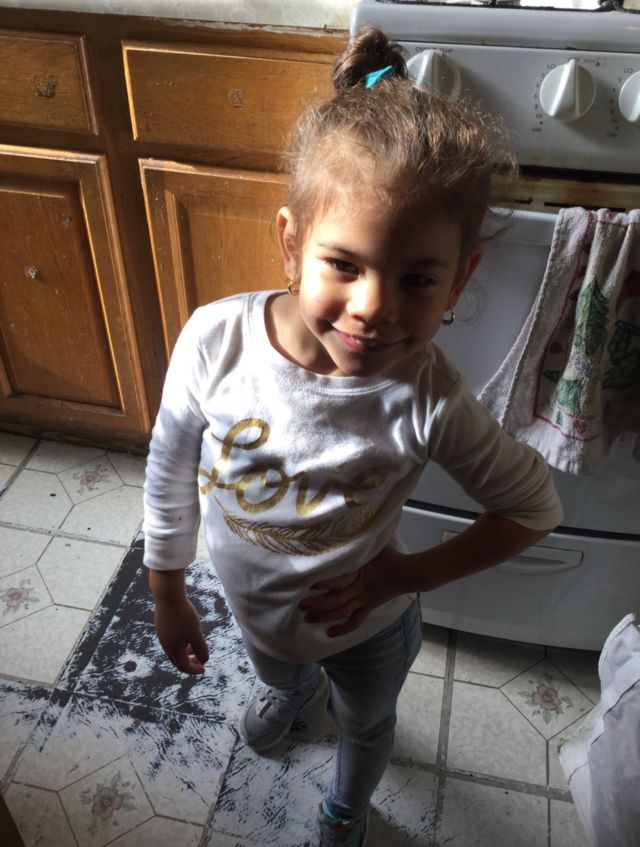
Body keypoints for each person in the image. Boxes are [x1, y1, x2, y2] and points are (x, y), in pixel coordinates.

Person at [143, 26, 563, 847]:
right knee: (281, 669)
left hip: (367, 627)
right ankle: (290, 692)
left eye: (416, 278)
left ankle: (345, 805)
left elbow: (533, 507)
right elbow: (170, 461)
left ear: (460, 280)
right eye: (344, 264)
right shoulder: (215, 341)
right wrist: (166, 589)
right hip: (254, 607)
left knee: (367, 722)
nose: (374, 307)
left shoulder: (428, 398)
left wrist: (405, 573)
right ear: (292, 243)